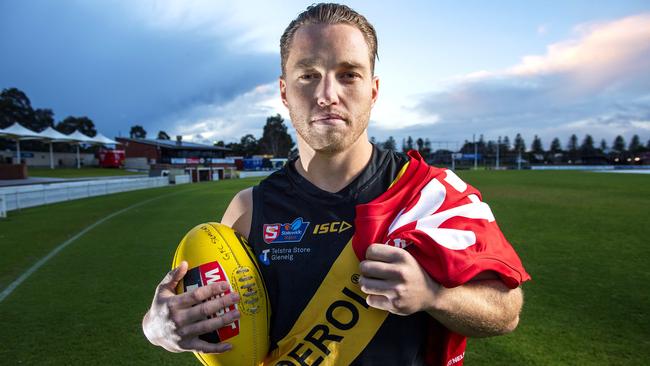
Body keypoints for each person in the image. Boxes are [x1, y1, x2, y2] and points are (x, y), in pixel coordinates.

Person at [143, 3, 529, 365]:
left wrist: (433, 295)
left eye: (348, 75)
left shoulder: (431, 195)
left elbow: (506, 311)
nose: (327, 95)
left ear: (373, 90)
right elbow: (214, 322)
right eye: (309, 76)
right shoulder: (248, 211)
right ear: (284, 91)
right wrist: (157, 328)